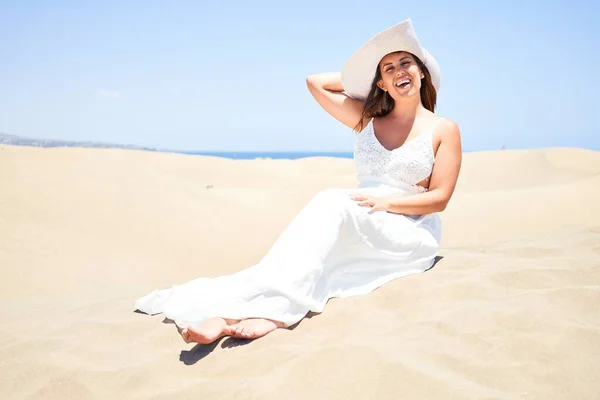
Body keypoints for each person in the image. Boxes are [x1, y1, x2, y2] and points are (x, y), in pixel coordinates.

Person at [134, 18, 462, 344]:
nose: (399, 72)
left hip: (407, 229)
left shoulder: (443, 128)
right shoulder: (367, 119)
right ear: (380, 84)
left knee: (332, 204)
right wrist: (365, 78)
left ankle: (268, 315)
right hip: (361, 214)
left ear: (422, 71)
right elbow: (315, 83)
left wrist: (387, 203)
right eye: (388, 70)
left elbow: (440, 198)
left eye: (406, 64)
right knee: (319, 234)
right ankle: (229, 314)